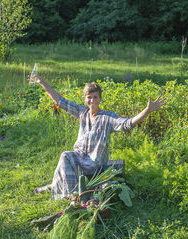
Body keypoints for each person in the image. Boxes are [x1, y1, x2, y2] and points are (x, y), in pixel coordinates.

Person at [33, 75, 166, 200]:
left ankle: (72, 196)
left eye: (95, 97)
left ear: (100, 98)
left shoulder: (107, 117)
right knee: (66, 156)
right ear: (85, 99)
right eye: (89, 97)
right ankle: (70, 194)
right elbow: (61, 102)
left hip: (95, 164)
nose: (92, 101)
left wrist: (147, 111)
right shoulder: (82, 112)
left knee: (66, 159)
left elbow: (127, 124)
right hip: (79, 158)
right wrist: (42, 82)